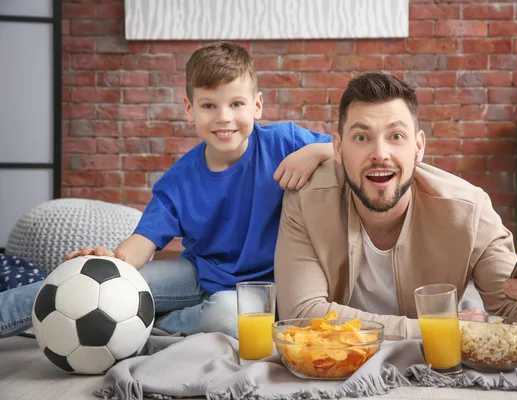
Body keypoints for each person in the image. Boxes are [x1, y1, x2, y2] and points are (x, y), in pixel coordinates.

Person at [0, 42, 332, 339]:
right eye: (208, 106)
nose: (224, 117)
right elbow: (142, 243)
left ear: (257, 105)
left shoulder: (285, 142)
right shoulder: (179, 180)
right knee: (85, 282)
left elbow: (350, 151)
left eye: (236, 103)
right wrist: (109, 263)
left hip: (262, 286)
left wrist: (317, 151)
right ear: (189, 110)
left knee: (227, 317)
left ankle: (157, 323)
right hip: (198, 273)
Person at [274, 72, 517, 340]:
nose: (380, 154)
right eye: (361, 137)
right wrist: (436, 329)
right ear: (338, 148)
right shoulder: (307, 200)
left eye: (396, 136)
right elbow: (300, 315)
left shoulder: (470, 212)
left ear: (419, 146)